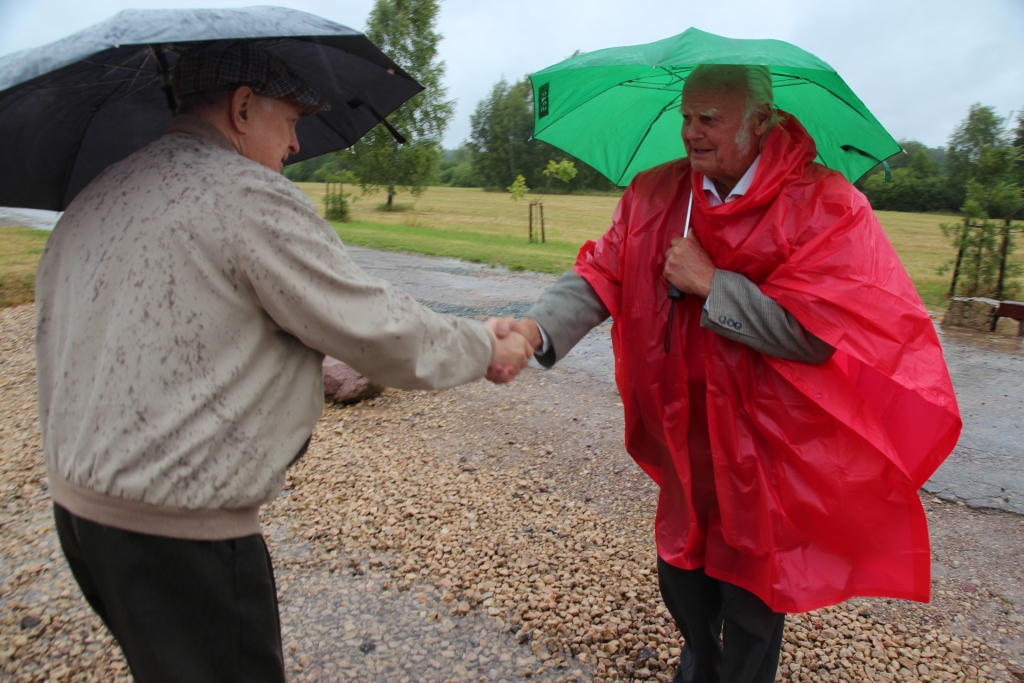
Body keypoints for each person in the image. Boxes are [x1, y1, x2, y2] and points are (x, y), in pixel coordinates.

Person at [34, 41, 533, 683]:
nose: (295, 146)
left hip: (80, 513)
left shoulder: (101, 192)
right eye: (290, 121)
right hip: (180, 533)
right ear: (243, 108)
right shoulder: (244, 196)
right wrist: (486, 346)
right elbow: (376, 328)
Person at [516, 64, 960, 682]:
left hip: (768, 440)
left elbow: (818, 335)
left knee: (753, 588)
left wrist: (712, 284)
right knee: (682, 569)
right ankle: (698, 660)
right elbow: (602, 271)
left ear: (759, 120)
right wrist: (535, 330)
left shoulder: (826, 205)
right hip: (683, 426)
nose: (690, 133)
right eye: (685, 116)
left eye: (709, 120)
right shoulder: (657, 193)